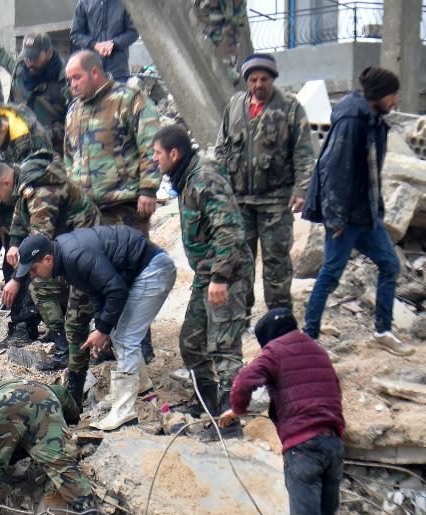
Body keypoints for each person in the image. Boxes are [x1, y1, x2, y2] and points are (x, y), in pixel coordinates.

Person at [220, 308, 371, 515]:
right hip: (333, 443)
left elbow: (245, 380)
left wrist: (237, 410)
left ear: (267, 338)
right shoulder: (317, 349)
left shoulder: (274, 352)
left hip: (302, 449)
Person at [12, 229, 175, 429]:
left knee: (126, 337)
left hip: (153, 269)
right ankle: (139, 384)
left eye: (33, 269)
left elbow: (116, 290)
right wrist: (101, 327)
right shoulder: (64, 259)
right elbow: (95, 291)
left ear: (47, 259)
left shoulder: (75, 256)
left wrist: (103, 329)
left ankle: (125, 410)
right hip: (137, 271)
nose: (32, 275)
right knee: (117, 332)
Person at [303, 66, 414, 357]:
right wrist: (336, 218)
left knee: (390, 265)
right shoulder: (352, 121)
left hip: (365, 214)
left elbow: (369, 173)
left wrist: (376, 210)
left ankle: (382, 331)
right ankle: (309, 339)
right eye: (393, 94)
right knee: (330, 274)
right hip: (345, 217)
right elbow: (334, 171)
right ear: (380, 94)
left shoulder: (372, 118)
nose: (396, 101)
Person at [153, 124, 253, 441]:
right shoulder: (186, 179)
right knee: (192, 342)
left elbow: (230, 230)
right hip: (208, 274)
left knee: (224, 348)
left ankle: (230, 423)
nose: (154, 159)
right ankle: (209, 405)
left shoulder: (204, 178)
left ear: (174, 153)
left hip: (227, 274)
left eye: (157, 153)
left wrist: (221, 277)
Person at [65, 49, 159, 362]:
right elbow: (69, 157)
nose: (72, 85)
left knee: (131, 274)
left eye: (76, 77)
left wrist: (148, 189)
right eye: (69, 80)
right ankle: (107, 342)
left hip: (124, 205)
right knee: (97, 277)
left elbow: (150, 146)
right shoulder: (74, 110)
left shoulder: (129, 100)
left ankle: (139, 343)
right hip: (87, 211)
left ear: (95, 72)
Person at [216, 54, 315, 316]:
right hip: (240, 202)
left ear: (273, 79)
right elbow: (221, 148)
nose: (258, 84)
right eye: (253, 80)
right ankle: (241, 319)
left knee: (277, 264)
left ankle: (279, 320)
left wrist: (301, 189)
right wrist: (222, 188)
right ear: (246, 81)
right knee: (240, 263)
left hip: (276, 201)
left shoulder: (290, 108)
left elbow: (304, 153)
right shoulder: (235, 107)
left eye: (264, 79)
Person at [0, 151, 101, 377]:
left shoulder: (39, 190)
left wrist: (16, 280)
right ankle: (67, 340)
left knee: (41, 286)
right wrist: (13, 245)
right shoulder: (25, 186)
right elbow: (19, 221)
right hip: (66, 244)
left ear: (6, 182)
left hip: (84, 247)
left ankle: (67, 348)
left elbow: (39, 241)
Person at [0, 378, 98, 515]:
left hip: (4, 405)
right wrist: (74, 418)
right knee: (63, 465)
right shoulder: (53, 390)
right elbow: (67, 400)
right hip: (44, 399)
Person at [0, 104, 51, 352]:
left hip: (36, 211)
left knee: (29, 260)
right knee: (7, 261)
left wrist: (17, 237)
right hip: (7, 211)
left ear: (2, 130)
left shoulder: (31, 139)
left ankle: (25, 324)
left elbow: (31, 194)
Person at [9, 32, 70, 154]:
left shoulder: (66, 77)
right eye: (27, 57)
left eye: (34, 58)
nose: (29, 62)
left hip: (55, 150)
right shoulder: (20, 70)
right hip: (22, 147)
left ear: (49, 53)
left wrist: (50, 133)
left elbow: (75, 119)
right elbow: (11, 105)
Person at [69, 0, 139, 82]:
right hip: (92, 70)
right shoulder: (84, 3)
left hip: (118, 70)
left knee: (119, 90)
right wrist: (95, 45)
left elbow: (134, 31)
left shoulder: (124, 3)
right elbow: (75, 34)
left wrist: (114, 43)